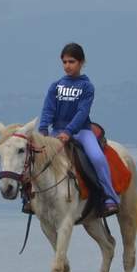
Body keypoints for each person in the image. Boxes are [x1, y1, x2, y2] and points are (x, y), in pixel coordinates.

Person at [38, 42, 119, 216]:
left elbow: (83, 112)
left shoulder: (87, 87)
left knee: (97, 157)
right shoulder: (55, 86)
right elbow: (48, 109)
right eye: (65, 62)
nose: (67, 65)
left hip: (81, 131)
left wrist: (68, 131)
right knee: (38, 157)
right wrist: (43, 129)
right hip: (56, 131)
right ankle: (30, 198)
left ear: (81, 62)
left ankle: (109, 197)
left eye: (72, 61)